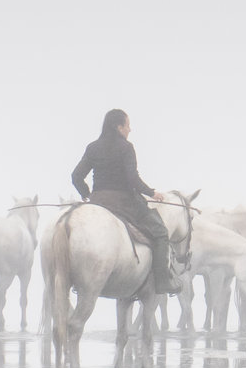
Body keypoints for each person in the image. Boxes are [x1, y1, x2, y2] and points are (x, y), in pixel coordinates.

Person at [71, 109, 172, 265]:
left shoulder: (93, 147)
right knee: (161, 233)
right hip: (124, 203)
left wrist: (86, 195)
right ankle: (164, 281)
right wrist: (151, 193)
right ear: (119, 127)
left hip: (97, 201)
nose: (130, 129)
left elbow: (76, 176)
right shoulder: (126, 147)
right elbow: (132, 178)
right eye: (128, 125)